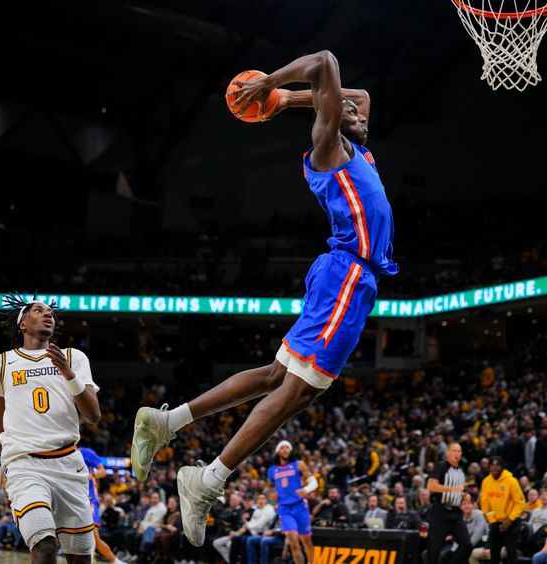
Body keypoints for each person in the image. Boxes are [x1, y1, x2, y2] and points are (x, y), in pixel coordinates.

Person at [130, 49, 398, 549]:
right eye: (346, 111)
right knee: (297, 390)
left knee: (280, 378)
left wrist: (282, 99)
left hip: (347, 280)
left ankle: (167, 421)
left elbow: (357, 95)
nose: (357, 112)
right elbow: (326, 61)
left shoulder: (359, 149)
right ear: (333, 118)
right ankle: (207, 480)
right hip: (346, 276)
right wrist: (270, 84)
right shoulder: (327, 150)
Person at [0, 295, 101, 564]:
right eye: (38, 310)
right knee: (44, 544)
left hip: (69, 465)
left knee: (81, 558)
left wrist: (68, 373)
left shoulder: (74, 357)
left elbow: (93, 415)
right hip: (24, 466)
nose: (47, 314)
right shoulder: (1, 363)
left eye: (50, 312)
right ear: (23, 325)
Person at [266, 441, 316, 563]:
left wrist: (306, 489)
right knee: (294, 544)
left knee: (306, 541)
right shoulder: (272, 470)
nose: (285, 450)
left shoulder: (299, 464)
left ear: (291, 450)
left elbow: (314, 482)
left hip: (300, 506)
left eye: (287, 447)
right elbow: (272, 487)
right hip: (284, 509)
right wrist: (272, 494)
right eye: (282, 447)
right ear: (278, 451)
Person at [78, 447, 126, 564]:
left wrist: (89, 475)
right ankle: (115, 561)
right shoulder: (63, 455)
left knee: (92, 536)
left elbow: (102, 471)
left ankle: (115, 561)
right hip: (75, 497)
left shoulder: (84, 452)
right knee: (85, 537)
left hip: (89, 499)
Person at [426, 442, 470, 564]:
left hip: (456, 513)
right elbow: (431, 486)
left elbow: (460, 491)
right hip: (440, 512)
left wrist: (465, 496)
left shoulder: (462, 470)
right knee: (434, 551)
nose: (457, 454)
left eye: (459, 451)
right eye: (454, 451)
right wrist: (452, 489)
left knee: (466, 545)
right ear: (448, 453)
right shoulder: (440, 466)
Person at [480, 456, 526, 564]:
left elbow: (520, 503)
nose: (494, 468)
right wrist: (491, 519)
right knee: (494, 553)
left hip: (511, 522)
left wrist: (509, 520)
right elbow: (485, 503)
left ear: (502, 467)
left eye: (497, 465)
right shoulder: (486, 481)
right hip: (495, 522)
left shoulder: (511, 481)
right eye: (492, 465)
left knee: (511, 553)